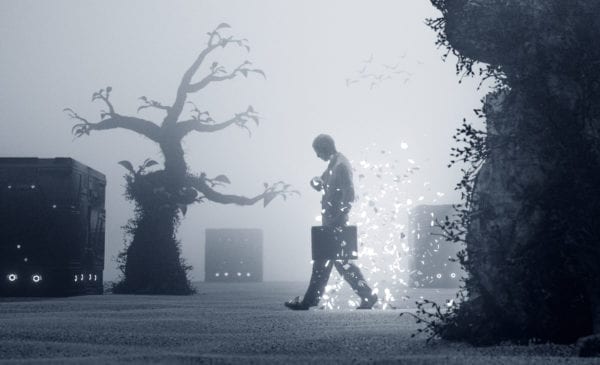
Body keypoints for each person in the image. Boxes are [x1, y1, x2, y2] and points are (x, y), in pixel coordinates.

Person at [284, 134, 378, 310]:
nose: (317, 156)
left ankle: (309, 302)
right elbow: (323, 183)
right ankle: (367, 296)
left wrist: (338, 219)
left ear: (325, 148)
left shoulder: (341, 166)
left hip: (335, 223)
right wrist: (316, 182)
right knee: (339, 263)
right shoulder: (334, 164)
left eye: (318, 152)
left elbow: (349, 195)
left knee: (325, 263)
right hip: (332, 222)